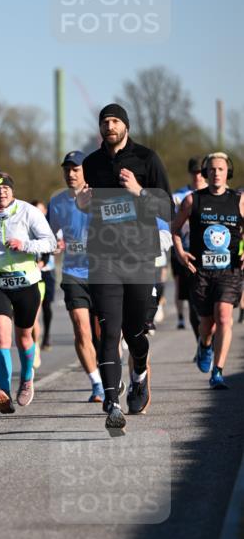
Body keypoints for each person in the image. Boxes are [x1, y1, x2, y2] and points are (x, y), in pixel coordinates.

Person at [77, 104, 171, 435]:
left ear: (126, 126)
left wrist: (139, 191)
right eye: (104, 122)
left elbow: (168, 208)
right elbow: (89, 204)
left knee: (134, 333)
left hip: (139, 257)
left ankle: (140, 374)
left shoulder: (147, 159)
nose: (109, 126)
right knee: (108, 330)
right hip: (103, 257)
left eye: (115, 121)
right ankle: (113, 403)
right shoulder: (91, 164)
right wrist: (83, 203)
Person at [0, 173, 56, 413]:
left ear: (12, 191)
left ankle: (26, 380)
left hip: (27, 284)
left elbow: (50, 243)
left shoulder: (28, 211)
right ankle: (4, 393)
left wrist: (25, 245)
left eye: (6, 188)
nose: (2, 192)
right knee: (2, 338)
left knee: (24, 339)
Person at [171, 152, 244, 389]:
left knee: (224, 317)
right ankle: (204, 345)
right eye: (211, 169)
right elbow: (174, 229)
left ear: (227, 172)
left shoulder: (238, 200)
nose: (216, 173)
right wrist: (181, 254)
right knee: (207, 325)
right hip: (201, 272)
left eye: (220, 169)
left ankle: (218, 372)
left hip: (229, 270)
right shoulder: (193, 200)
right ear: (205, 173)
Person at [48, 151, 105, 402]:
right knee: (82, 330)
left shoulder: (100, 197)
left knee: (104, 334)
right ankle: (97, 384)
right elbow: (48, 234)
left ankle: (109, 373)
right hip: (73, 273)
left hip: (103, 273)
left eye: (76, 169)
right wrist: (52, 244)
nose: (70, 174)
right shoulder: (58, 201)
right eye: (67, 170)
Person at [171, 158, 206, 336]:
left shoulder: (216, 193)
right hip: (186, 252)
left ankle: (211, 342)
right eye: (194, 172)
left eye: (200, 172)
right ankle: (199, 339)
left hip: (210, 253)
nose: (197, 176)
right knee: (192, 302)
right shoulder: (178, 196)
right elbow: (171, 223)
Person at [31, 201, 56, 351]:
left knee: (46, 305)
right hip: (31, 272)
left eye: (40, 211)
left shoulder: (50, 227)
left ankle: (46, 335)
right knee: (33, 309)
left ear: (45, 211)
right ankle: (35, 337)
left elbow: (52, 246)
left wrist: (42, 262)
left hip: (47, 271)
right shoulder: (27, 225)